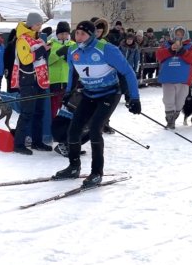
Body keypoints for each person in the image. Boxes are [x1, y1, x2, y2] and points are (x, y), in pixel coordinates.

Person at [53, 21, 141, 187]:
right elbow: (72, 73)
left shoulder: (107, 49)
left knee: (95, 130)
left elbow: (128, 72)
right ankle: (73, 167)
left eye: (83, 34)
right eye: (77, 33)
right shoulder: (73, 51)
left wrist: (134, 98)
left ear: (91, 35)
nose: (79, 37)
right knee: (74, 129)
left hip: (109, 94)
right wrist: (67, 94)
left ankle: (96, 173)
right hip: (89, 93)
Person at [12, 12, 52, 155]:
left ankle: (37, 141)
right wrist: (42, 50)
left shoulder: (37, 38)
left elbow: (41, 58)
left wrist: (46, 50)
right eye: (38, 24)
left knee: (39, 112)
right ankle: (18, 144)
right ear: (31, 24)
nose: (40, 26)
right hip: (28, 80)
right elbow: (26, 60)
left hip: (40, 80)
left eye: (41, 24)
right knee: (27, 113)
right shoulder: (22, 39)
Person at [155, 25, 192, 129]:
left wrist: (182, 50)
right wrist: (170, 50)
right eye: (177, 33)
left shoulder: (190, 46)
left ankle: (175, 115)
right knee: (168, 100)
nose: (179, 36)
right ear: (173, 34)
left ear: (185, 34)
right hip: (168, 78)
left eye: (181, 34)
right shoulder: (165, 45)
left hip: (183, 79)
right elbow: (159, 56)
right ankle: (170, 121)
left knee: (180, 101)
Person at [48, 21, 75, 117]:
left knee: (66, 106)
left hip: (68, 80)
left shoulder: (73, 44)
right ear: (57, 34)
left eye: (66, 34)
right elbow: (47, 61)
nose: (64, 36)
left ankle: (62, 127)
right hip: (54, 81)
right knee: (53, 106)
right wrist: (58, 54)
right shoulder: (50, 44)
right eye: (61, 34)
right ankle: (51, 125)